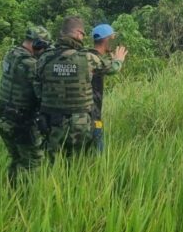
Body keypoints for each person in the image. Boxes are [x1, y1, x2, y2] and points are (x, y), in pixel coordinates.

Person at [35, 16, 127, 160]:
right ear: (78, 33)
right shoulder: (87, 58)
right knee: (78, 162)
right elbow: (111, 69)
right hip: (79, 124)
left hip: (50, 122)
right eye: (83, 34)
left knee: (52, 163)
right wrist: (119, 61)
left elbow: (37, 86)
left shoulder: (44, 58)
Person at [0, 26, 51, 183]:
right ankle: (28, 199)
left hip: (4, 117)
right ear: (38, 44)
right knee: (33, 163)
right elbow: (41, 94)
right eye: (44, 47)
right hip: (22, 122)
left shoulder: (10, 54)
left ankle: (11, 192)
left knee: (16, 159)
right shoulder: (31, 65)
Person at [88, 23, 127, 153]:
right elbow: (112, 69)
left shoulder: (89, 56)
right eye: (112, 38)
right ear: (106, 40)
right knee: (98, 148)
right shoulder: (95, 60)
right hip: (92, 113)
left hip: (82, 113)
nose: (114, 41)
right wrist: (118, 60)